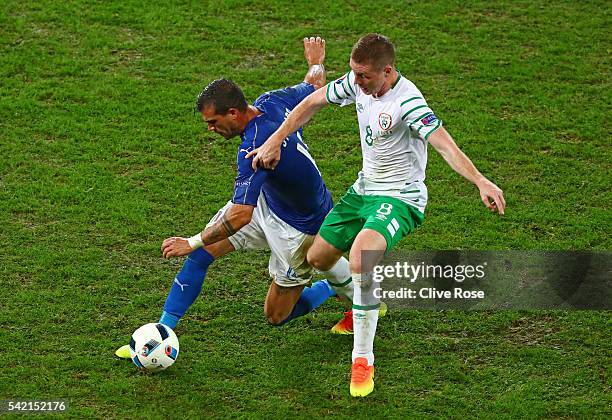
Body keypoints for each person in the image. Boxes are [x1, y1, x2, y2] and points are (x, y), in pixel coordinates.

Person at [247, 33, 506, 397]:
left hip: (400, 198)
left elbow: (444, 144)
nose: (356, 82)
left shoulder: (409, 103)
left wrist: (480, 181)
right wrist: (275, 138)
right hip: (364, 191)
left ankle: (363, 359)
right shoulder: (359, 84)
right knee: (318, 258)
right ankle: (362, 305)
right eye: (354, 74)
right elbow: (312, 101)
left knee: (360, 257)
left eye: (364, 76)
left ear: (387, 71)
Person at [116, 37, 357, 359]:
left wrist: (192, 240)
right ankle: (162, 332)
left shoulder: (253, 151)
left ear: (233, 113)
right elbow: (312, 88)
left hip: (299, 230)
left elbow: (240, 215)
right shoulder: (271, 102)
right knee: (202, 257)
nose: (210, 129)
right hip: (269, 203)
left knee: (276, 316)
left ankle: (334, 285)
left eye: (213, 123)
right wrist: (316, 61)